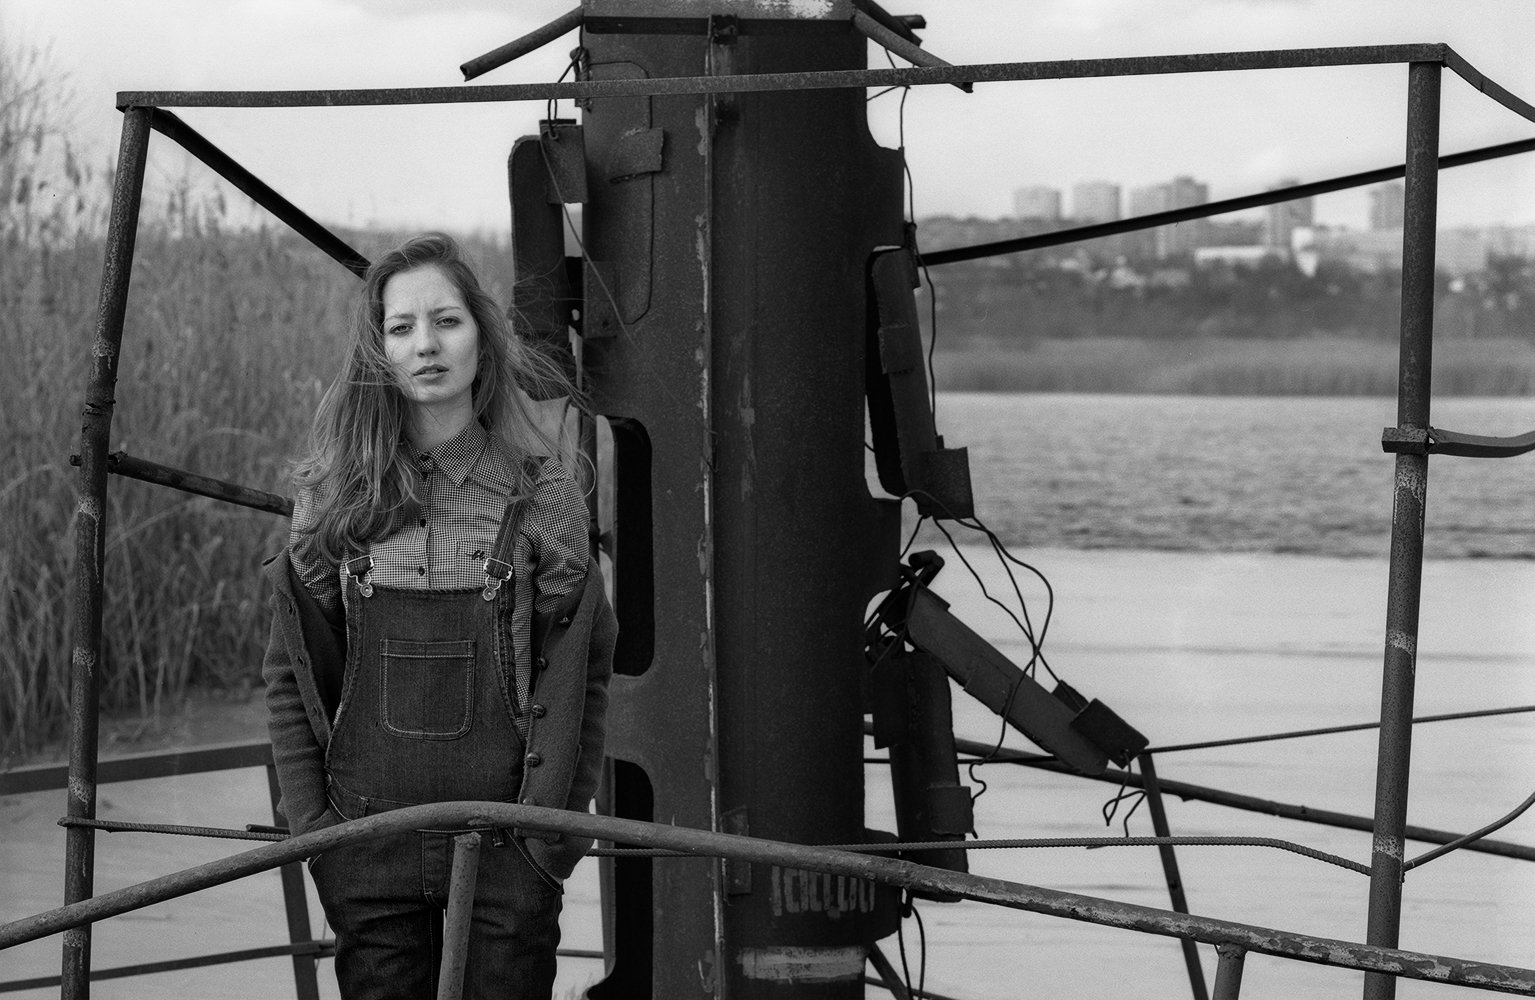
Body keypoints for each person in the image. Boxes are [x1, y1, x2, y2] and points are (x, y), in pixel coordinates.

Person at [261, 232, 615, 999]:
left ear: (482, 341)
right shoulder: (331, 498)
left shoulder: (542, 494)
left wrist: (550, 841)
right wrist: (316, 834)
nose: (426, 344)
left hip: (507, 849)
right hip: (365, 846)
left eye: (446, 321)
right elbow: (290, 678)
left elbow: (584, 674)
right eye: (402, 327)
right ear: (378, 351)